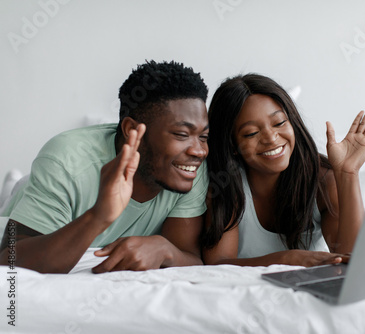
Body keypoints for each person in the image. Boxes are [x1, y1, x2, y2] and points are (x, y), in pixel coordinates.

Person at [0, 60, 210, 274]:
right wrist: (98, 215)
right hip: (31, 205)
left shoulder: (190, 167)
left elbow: (189, 257)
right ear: (131, 129)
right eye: (182, 134)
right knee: (20, 187)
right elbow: (10, 258)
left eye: (204, 136)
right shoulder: (66, 159)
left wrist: (167, 251)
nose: (199, 151)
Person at [202, 74, 365, 267]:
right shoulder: (226, 183)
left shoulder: (323, 182)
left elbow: (352, 260)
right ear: (231, 144)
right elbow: (218, 262)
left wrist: (348, 173)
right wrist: (285, 259)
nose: (271, 138)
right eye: (252, 133)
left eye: (279, 123)